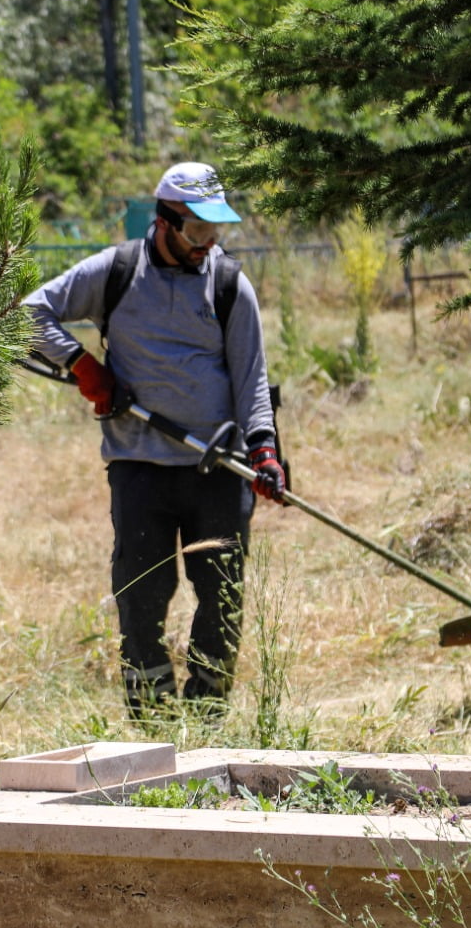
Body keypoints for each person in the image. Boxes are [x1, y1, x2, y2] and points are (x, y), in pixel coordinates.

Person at [27, 162, 287, 715]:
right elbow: (31, 312)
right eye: (196, 230)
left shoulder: (229, 285)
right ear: (165, 222)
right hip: (139, 466)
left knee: (221, 597)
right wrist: (83, 366)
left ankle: (207, 715)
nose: (207, 243)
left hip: (219, 467)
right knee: (141, 596)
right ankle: (153, 717)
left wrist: (265, 451)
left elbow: (252, 379)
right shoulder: (116, 272)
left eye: (214, 230)